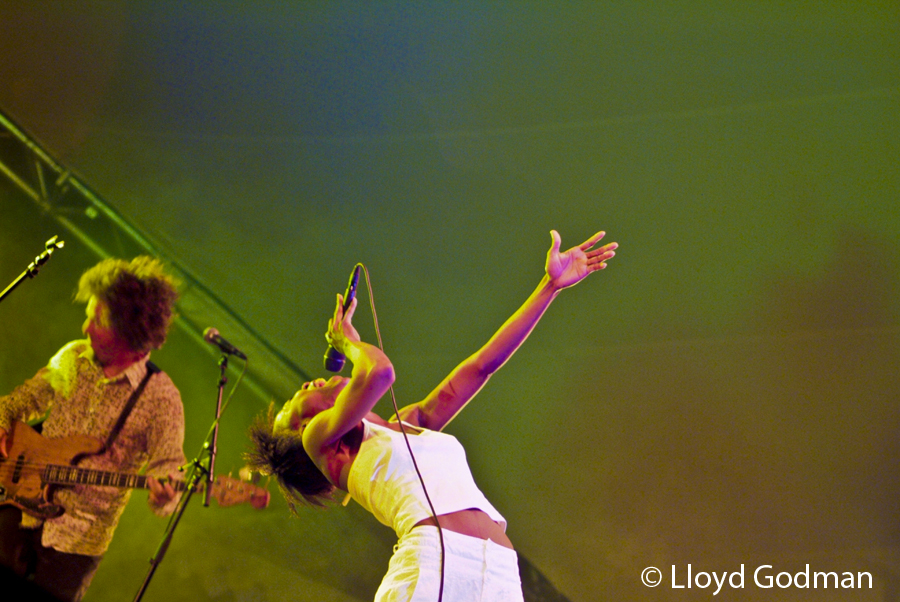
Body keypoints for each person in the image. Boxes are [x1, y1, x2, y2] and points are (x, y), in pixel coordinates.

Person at [247, 229, 617, 601]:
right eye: (293, 405)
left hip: (499, 572)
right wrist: (349, 344)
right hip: (436, 563)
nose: (305, 386)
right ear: (304, 432)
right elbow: (379, 373)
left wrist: (548, 287)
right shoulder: (321, 445)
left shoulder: (407, 424)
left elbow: (480, 366)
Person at [0, 256, 186, 601]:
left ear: (128, 330)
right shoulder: (72, 357)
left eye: (96, 319)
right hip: (18, 510)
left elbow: (168, 466)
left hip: (76, 544)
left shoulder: (162, 398)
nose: (85, 326)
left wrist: (166, 495)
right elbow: (19, 402)